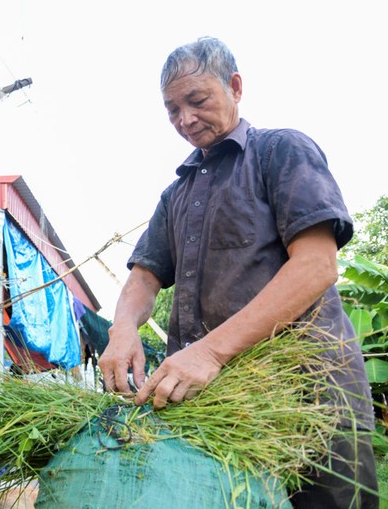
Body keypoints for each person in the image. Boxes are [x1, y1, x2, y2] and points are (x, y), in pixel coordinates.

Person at [98, 36, 378, 508]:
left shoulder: (280, 151)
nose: (185, 119)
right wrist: (122, 329)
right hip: (217, 412)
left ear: (235, 86)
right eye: (171, 110)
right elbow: (144, 276)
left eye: (197, 100)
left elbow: (316, 265)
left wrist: (208, 352)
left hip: (309, 401)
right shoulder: (175, 195)